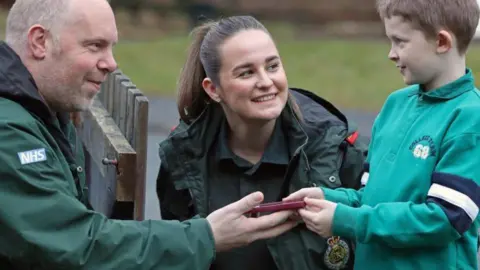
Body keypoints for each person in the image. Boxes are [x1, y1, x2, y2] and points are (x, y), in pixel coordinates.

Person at [0, 0, 299, 269]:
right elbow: (75, 244)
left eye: (111, 46)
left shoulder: (46, 110)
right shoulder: (10, 131)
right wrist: (205, 236)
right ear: (40, 42)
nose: (111, 63)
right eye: (94, 46)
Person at [156, 15, 367, 270]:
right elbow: (178, 256)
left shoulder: (337, 147)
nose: (266, 82)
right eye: (246, 73)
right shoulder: (183, 159)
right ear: (213, 89)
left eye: (272, 66)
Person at [285, 0, 480, 269]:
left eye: (400, 42)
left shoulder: (470, 117)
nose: (391, 53)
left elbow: (445, 219)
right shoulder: (394, 106)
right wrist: (327, 199)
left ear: (442, 42)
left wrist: (346, 220)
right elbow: (368, 197)